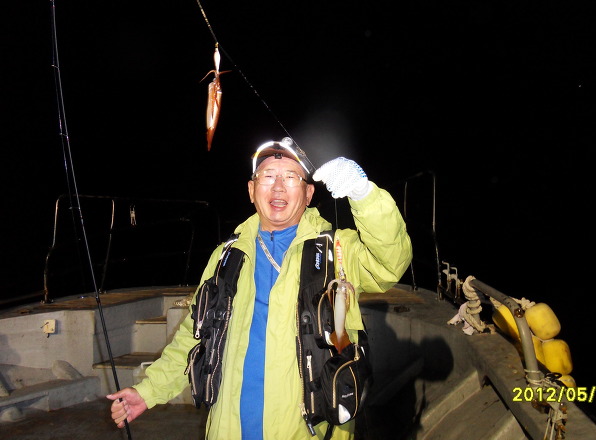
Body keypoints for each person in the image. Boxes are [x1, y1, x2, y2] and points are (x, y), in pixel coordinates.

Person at [107, 137, 412, 440]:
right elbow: (194, 335)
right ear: (252, 190)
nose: (278, 187)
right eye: (267, 176)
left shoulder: (339, 250)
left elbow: (390, 262)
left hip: (310, 432)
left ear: (308, 193)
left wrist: (363, 193)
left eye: (290, 177)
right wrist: (147, 392)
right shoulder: (225, 257)